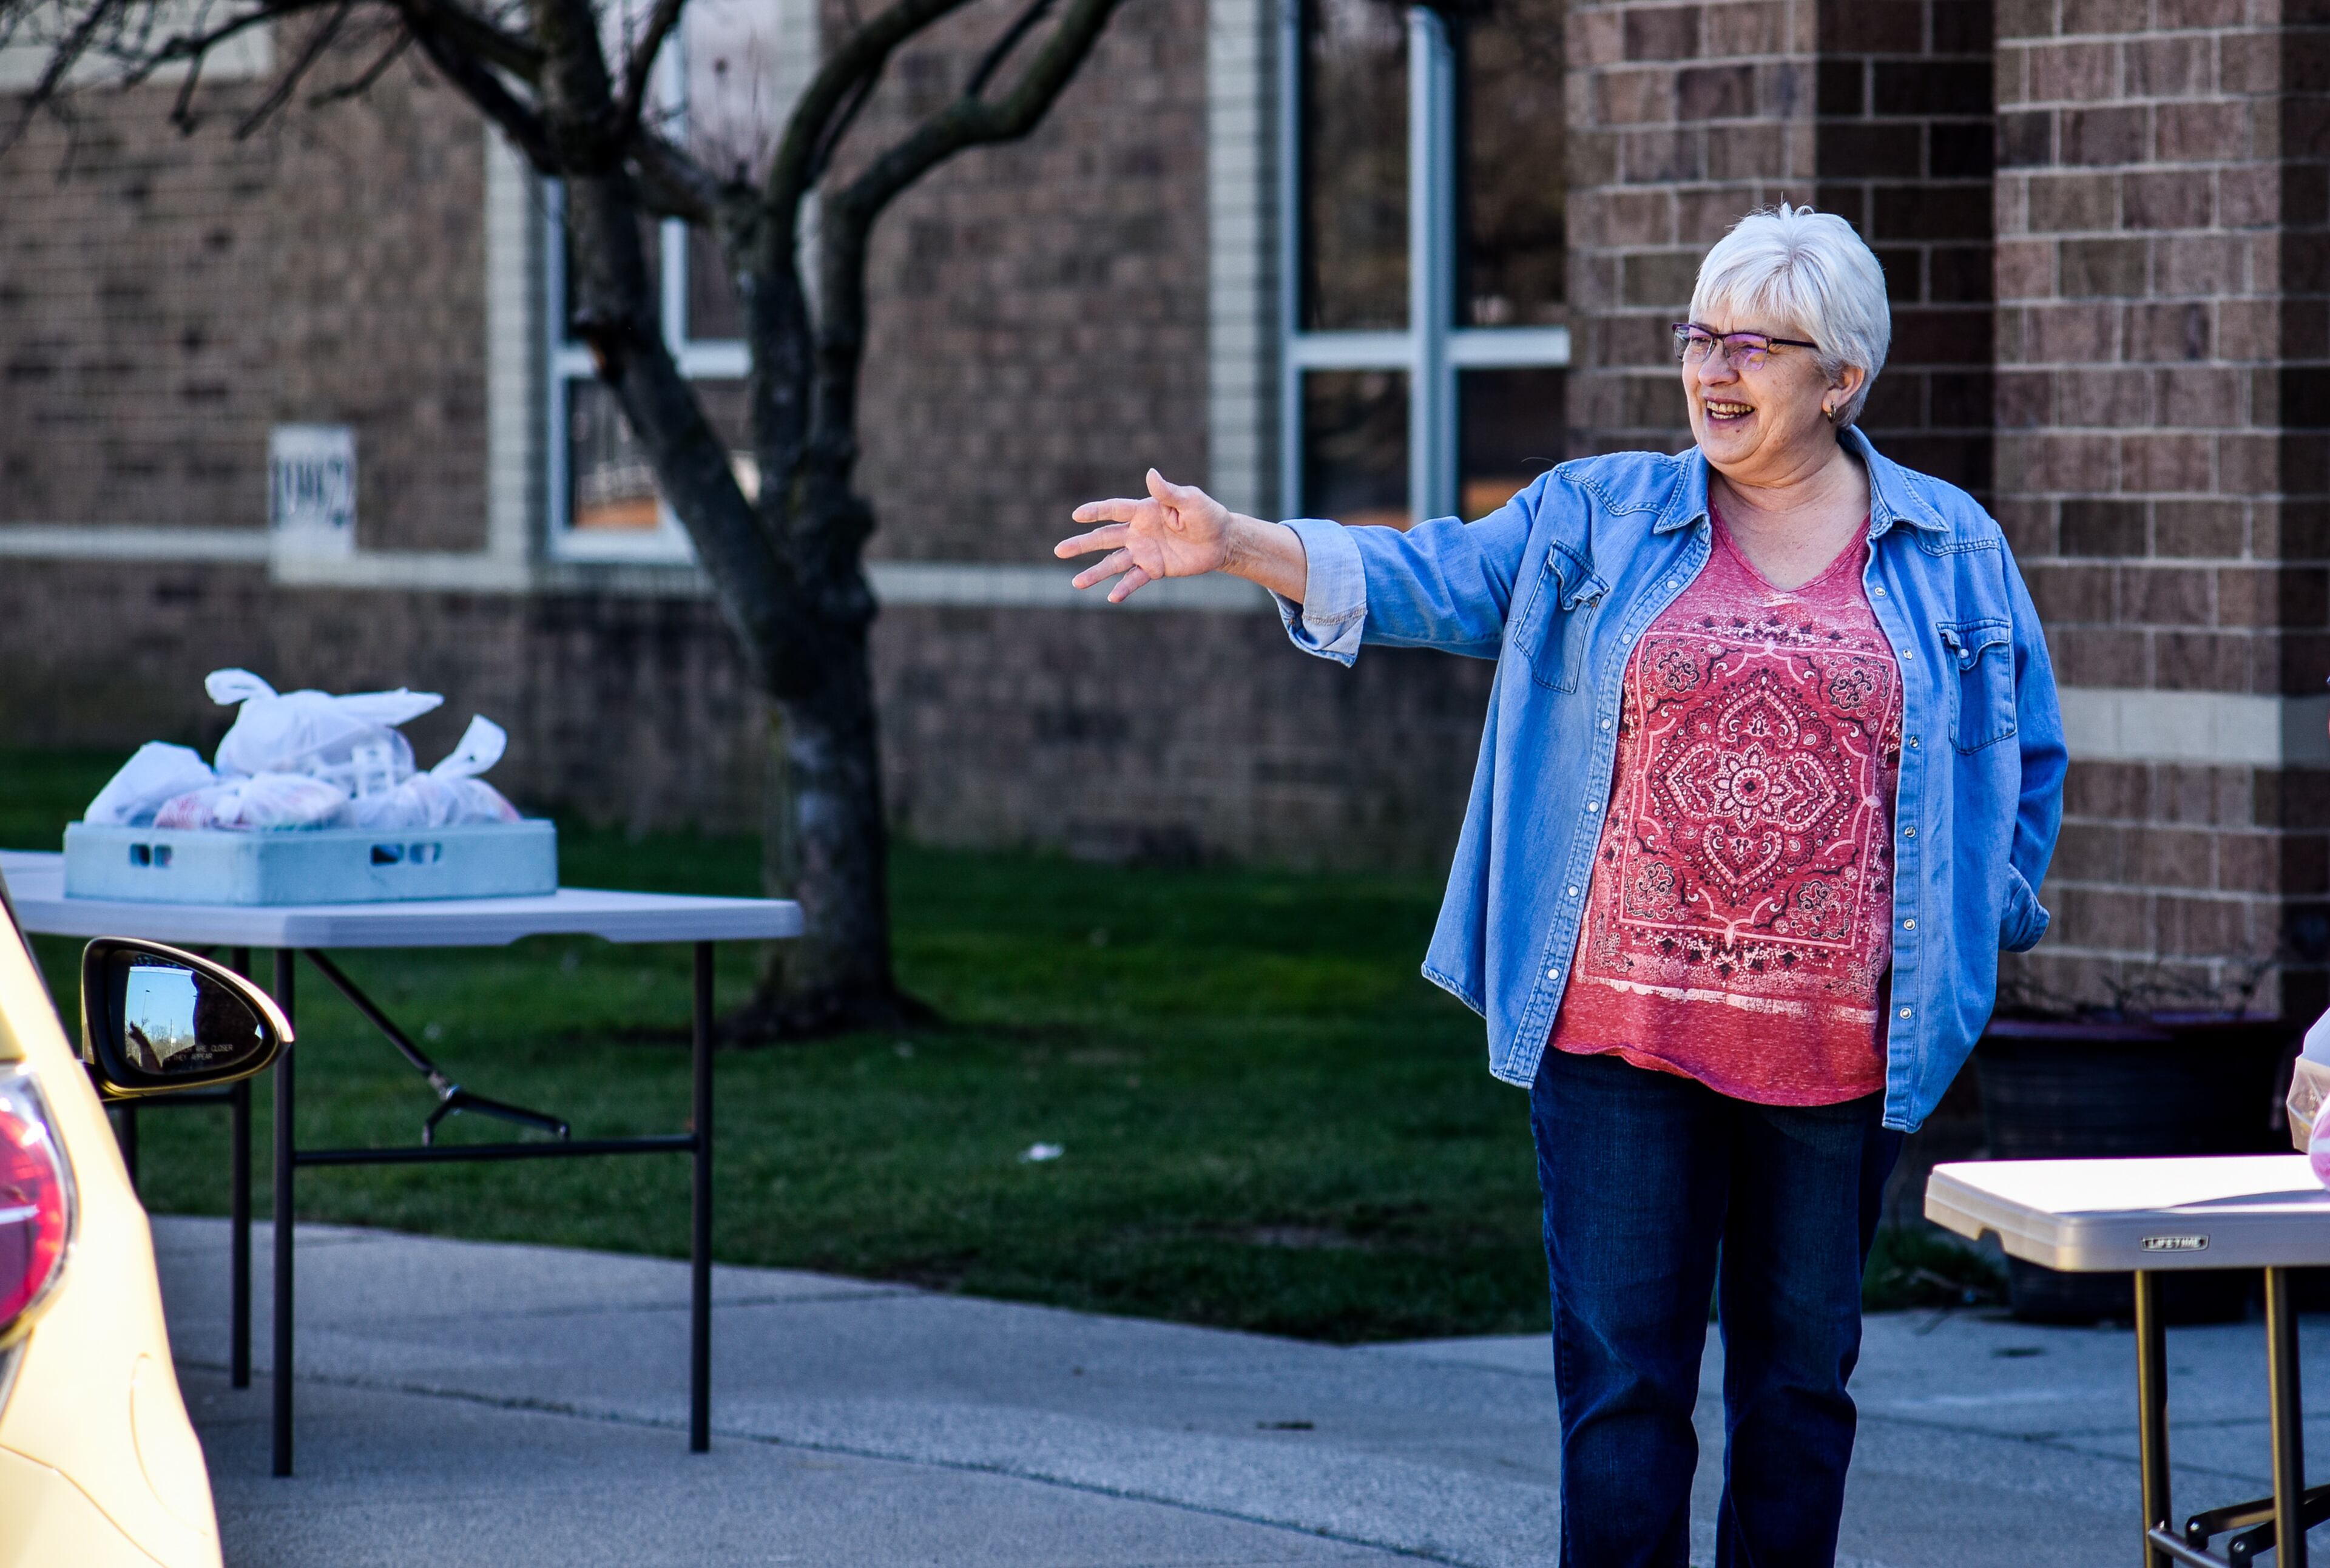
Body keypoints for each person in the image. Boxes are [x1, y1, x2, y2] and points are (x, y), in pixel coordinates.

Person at [1055, 204, 2065, 1566]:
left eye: (1759, 346)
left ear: (1842, 380)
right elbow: (1436, 573)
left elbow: (2024, 756)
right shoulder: (1603, 513)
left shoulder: (1951, 547)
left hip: (1837, 1055)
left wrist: (1971, 929)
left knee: (1801, 1393)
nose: (1717, 367)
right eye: (1702, 334)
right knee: (1624, 1398)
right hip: (1621, 1041)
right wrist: (1240, 541)